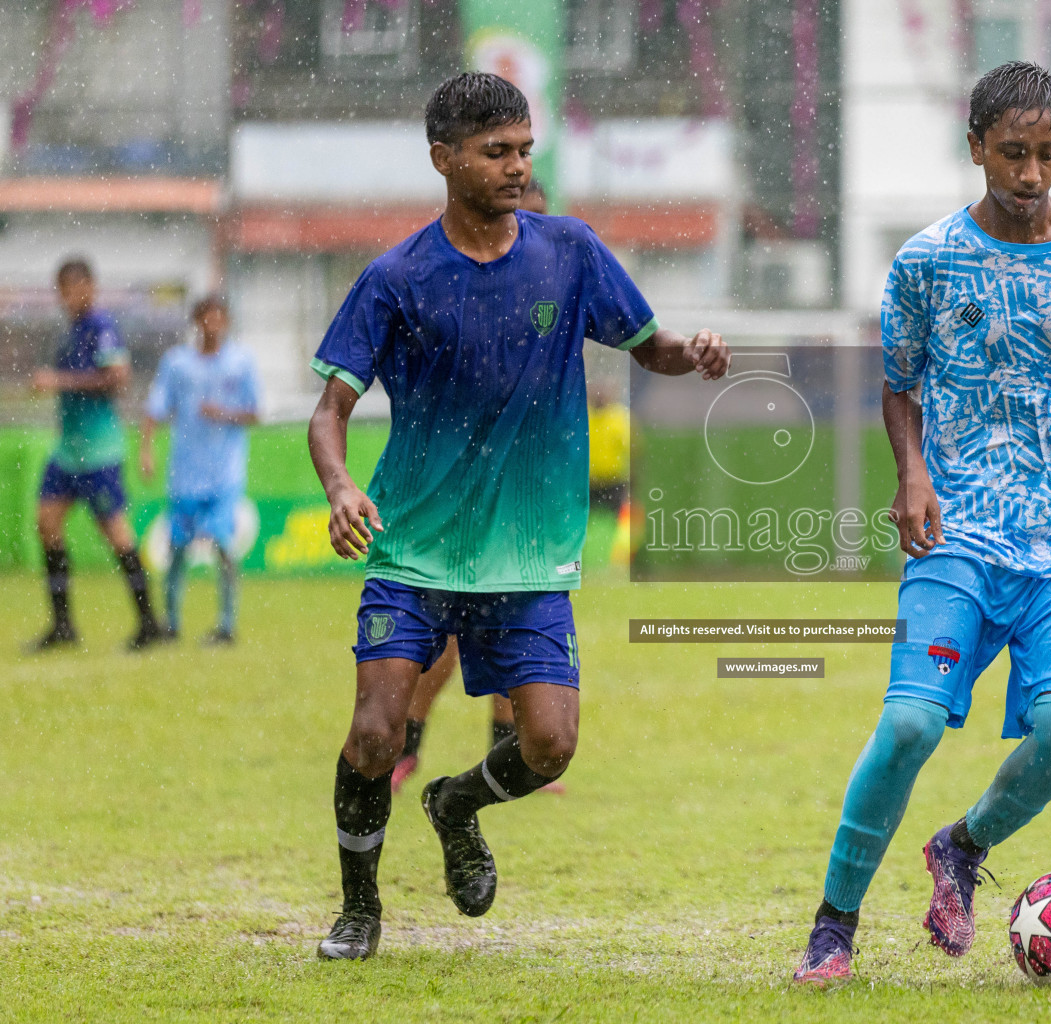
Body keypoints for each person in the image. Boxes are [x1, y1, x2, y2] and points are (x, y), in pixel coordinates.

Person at [308, 73, 729, 961]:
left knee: (549, 746)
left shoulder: (569, 252)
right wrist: (343, 486)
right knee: (376, 733)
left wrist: (688, 354)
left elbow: (646, 344)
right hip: (415, 552)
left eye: (524, 149)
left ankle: (457, 806)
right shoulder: (395, 278)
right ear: (444, 159)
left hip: (530, 559)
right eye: (496, 152)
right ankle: (360, 910)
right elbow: (329, 411)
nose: (516, 165)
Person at [793, 61, 1051, 985]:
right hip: (959, 534)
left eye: (1048, 153)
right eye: (1012, 153)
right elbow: (896, 385)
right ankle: (834, 927)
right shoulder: (926, 261)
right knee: (910, 729)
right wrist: (913, 476)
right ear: (975, 148)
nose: (1031, 173)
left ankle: (963, 847)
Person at [389, 177, 555, 796]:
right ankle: (405, 746)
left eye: (538, 221)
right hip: (458, 496)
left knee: (518, 629)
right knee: (451, 639)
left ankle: (507, 758)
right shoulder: (463, 289)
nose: (526, 234)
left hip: (526, 499)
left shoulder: (555, 295)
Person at [31, 258, 163, 652]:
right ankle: (63, 625)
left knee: (118, 535)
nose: (66, 297)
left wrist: (59, 381)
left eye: (72, 288)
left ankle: (149, 623)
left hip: (99, 453)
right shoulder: (71, 331)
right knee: (46, 523)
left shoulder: (101, 328)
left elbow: (117, 379)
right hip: (68, 451)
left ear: (89, 287)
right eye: (61, 289)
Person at [139, 295, 262, 644]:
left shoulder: (241, 362)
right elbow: (156, 407)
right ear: (197, 321)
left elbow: (255, 411)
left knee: (223, 547)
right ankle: (172, 623)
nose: (213, 325)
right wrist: (146, 450)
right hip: (185, 474)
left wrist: (223, 413)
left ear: (227, 322)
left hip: (224, 473)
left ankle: (226, 626)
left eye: (219, 318)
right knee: (176, 549)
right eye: (206, 318)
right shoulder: (177, 364)